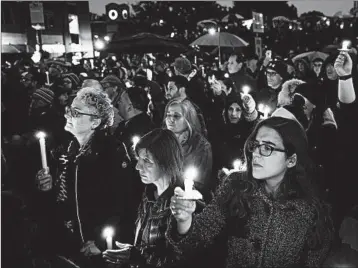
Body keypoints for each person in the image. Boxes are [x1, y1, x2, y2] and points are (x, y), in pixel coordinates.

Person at [168, 117, 334, 268]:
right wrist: (184, 220)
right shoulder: (236, 187)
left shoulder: (311, 212)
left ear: (291, 160)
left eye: (267, 148)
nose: (255, 153)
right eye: (255, 145)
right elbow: (197, 239)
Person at [35, 87, 134, 267]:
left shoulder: (111, 151)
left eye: (75, 112)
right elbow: (63, 200)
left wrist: (100, 242)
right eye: (68, 110)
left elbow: (125, 202)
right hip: (70, 246)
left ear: (95, 122)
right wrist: (47, 189)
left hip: (97, 250)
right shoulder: (68, 150)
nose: (68, 116)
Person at [102, 129, 184, 268]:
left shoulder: (183, 203)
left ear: (167, 162)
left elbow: (181, 258)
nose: (138, 166)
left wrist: (136, 256)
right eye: (139, 159)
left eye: (147, 160)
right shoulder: (148, 194)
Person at [163, 98, 213, 194]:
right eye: (168, 115)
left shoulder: (201, 146)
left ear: (188, 119)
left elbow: (200, 184)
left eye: (176, 116)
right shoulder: (162, 140)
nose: (170, 119)